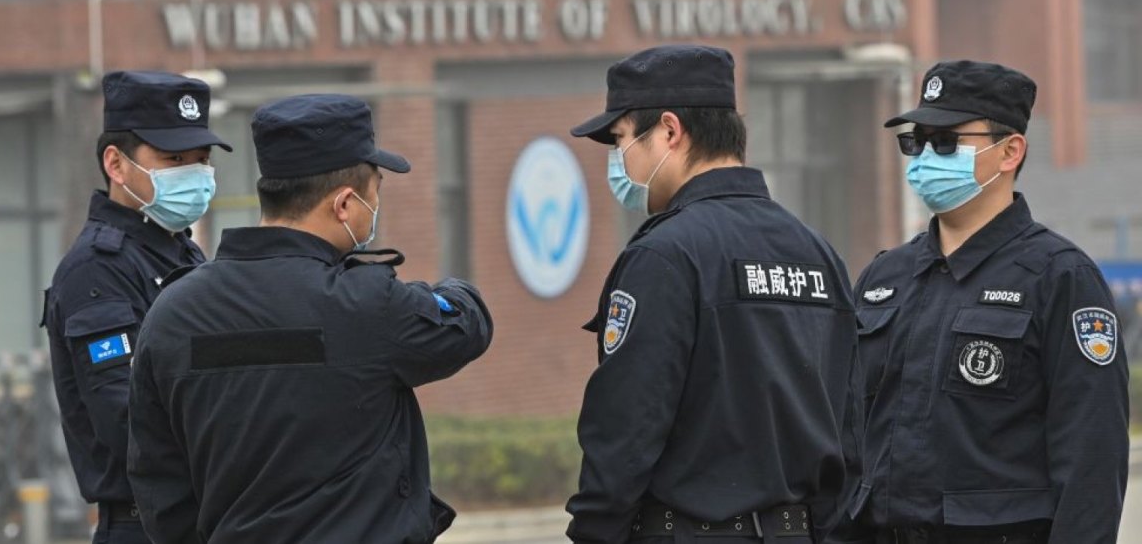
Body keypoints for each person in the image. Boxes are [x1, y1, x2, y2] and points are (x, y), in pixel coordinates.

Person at [126, 93, 493, 544]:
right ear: (344, 204)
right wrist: (450, 291)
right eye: (375, 191)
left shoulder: (172, 312)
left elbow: (159, 483)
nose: (375, 206)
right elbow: (467, 326)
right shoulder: (367, 305)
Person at [566, 44, 864, 544]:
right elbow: (851, 426)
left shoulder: (666, 254)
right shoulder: (817, 253)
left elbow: (626, 428)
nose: (618, 162)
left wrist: (595, 529)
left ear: (668, 130)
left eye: (620, 141)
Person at [849, 60, 1129, 543]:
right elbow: (846, 436)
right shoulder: (884, 277)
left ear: (1010, 152)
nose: (925, 158)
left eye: (946, 142)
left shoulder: (1059, 277)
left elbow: (1092, 458)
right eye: (915, 142)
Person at [43, 71, 232, 544]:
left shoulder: (181, 252)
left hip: (205, 517)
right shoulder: (96, 270)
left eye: (201, 160)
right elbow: (127, 420)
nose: (194, 174)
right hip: (142, 525)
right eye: (173, 159)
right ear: (117, 163)